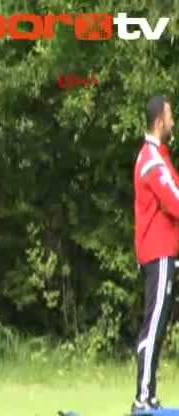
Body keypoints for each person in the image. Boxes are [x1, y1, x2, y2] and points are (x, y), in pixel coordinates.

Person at [132, 95, 179, 412]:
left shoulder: (159, 155)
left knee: (158, 326)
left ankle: (147, 396)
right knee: (153, 326)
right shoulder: (151, 159)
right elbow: (175, 200)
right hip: (158, 253)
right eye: (170, 116)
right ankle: (142, 398)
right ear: (159, 121)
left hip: (164, 253)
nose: (173, 122)